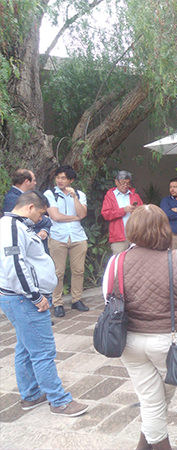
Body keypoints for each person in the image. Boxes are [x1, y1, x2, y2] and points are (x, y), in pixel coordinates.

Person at [101, 204, 177, 450]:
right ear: (164, 229)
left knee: (152, 401)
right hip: (170, 341)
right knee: (156, 402)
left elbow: (108, 299)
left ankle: (142, 447)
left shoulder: (116, 261)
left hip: (129, 342)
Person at [0, 191, 89, 417]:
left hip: (21, 298)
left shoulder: (17, 225)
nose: (41, 218)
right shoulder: (12, 227)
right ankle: (59, 401)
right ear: (30, 207)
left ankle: (31, 395)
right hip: (24, 299)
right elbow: (14, 265)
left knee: (25, 347)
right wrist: (35, 296)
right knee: (43, 351)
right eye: (40, 213)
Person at [43, 165, 89, 318]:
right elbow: (55, 216)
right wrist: (76, 217)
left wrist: (74, 197)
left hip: (78, 236)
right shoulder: (50, 194)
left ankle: (77, 300)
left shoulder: (80, 194)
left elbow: (83, 213)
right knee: (58, 272)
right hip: (58, 236)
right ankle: (57, 303)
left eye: (63, 178)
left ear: (71, 180)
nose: (60, 181)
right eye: (58, 177)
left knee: (78, 270)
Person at [2, 169, 52, 251]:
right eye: (34, 180)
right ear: (27, 181)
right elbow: (23, 220)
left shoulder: (31, 196)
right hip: (23, 244)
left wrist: (44, 229)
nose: (35, 183)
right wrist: (47, 219)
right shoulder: (12, 198)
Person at [101, 170, 143, 254]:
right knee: (119, 260)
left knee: (136, 260)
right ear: (116, 182)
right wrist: (123, 210)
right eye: (123, 183)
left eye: (128, 183)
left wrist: (138, 210)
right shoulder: (110, 196)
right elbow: (106, 214)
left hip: (135, 236)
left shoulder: (135, 195)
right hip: (118, 237)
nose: (125, 185)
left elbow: (143, 213)